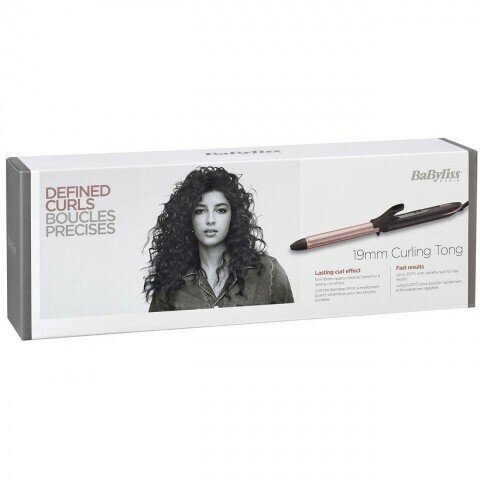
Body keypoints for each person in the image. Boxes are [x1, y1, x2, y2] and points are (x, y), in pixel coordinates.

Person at [144, 166, 294, 311]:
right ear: (188, 218)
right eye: (200, 211)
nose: (210, 220)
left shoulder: (268, 272)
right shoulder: (171, 281)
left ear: (233, 216)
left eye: (221, 210)